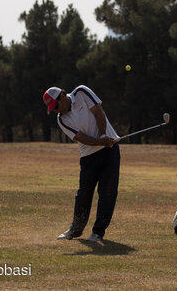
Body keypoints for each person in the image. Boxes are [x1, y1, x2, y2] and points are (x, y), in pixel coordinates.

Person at [43, 85, 120, 242]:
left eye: (56, 106)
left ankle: (98, 232)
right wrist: (100, 142)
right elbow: (81, 137)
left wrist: (104, 136)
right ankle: (75, 230)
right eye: (53, 109)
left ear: (63, 96)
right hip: (88, 156)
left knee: (107, 192)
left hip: (110, 151)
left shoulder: (81, 92)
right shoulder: (62, 120)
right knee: (83, 194)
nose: (56, 110)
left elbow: (99, 112)